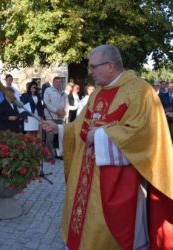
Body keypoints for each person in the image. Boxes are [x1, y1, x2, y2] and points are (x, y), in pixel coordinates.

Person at [42, 44, 173, 250]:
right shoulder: (98, 93)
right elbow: (80, 125)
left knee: (113, 232)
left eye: (93, 67)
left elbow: (145, 134)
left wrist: (102, 135)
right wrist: (60, 130)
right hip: (87, 174)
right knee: (86, 225)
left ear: (110, 65)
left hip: (120, 179)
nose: (90, 72)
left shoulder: (141, 91)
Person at [43, 76, 68, 159]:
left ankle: (58, 153)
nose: (58, 84)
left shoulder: (63, 92)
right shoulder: (48, 90)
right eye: (56, 82)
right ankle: (48, 155)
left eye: (59, 82)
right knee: (50, 137)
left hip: (60, 117)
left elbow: (66, 104)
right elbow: (46, 103)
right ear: (53, 83)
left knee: (59, 136)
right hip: (51, 116)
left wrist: (65, 112)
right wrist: (56, 110)